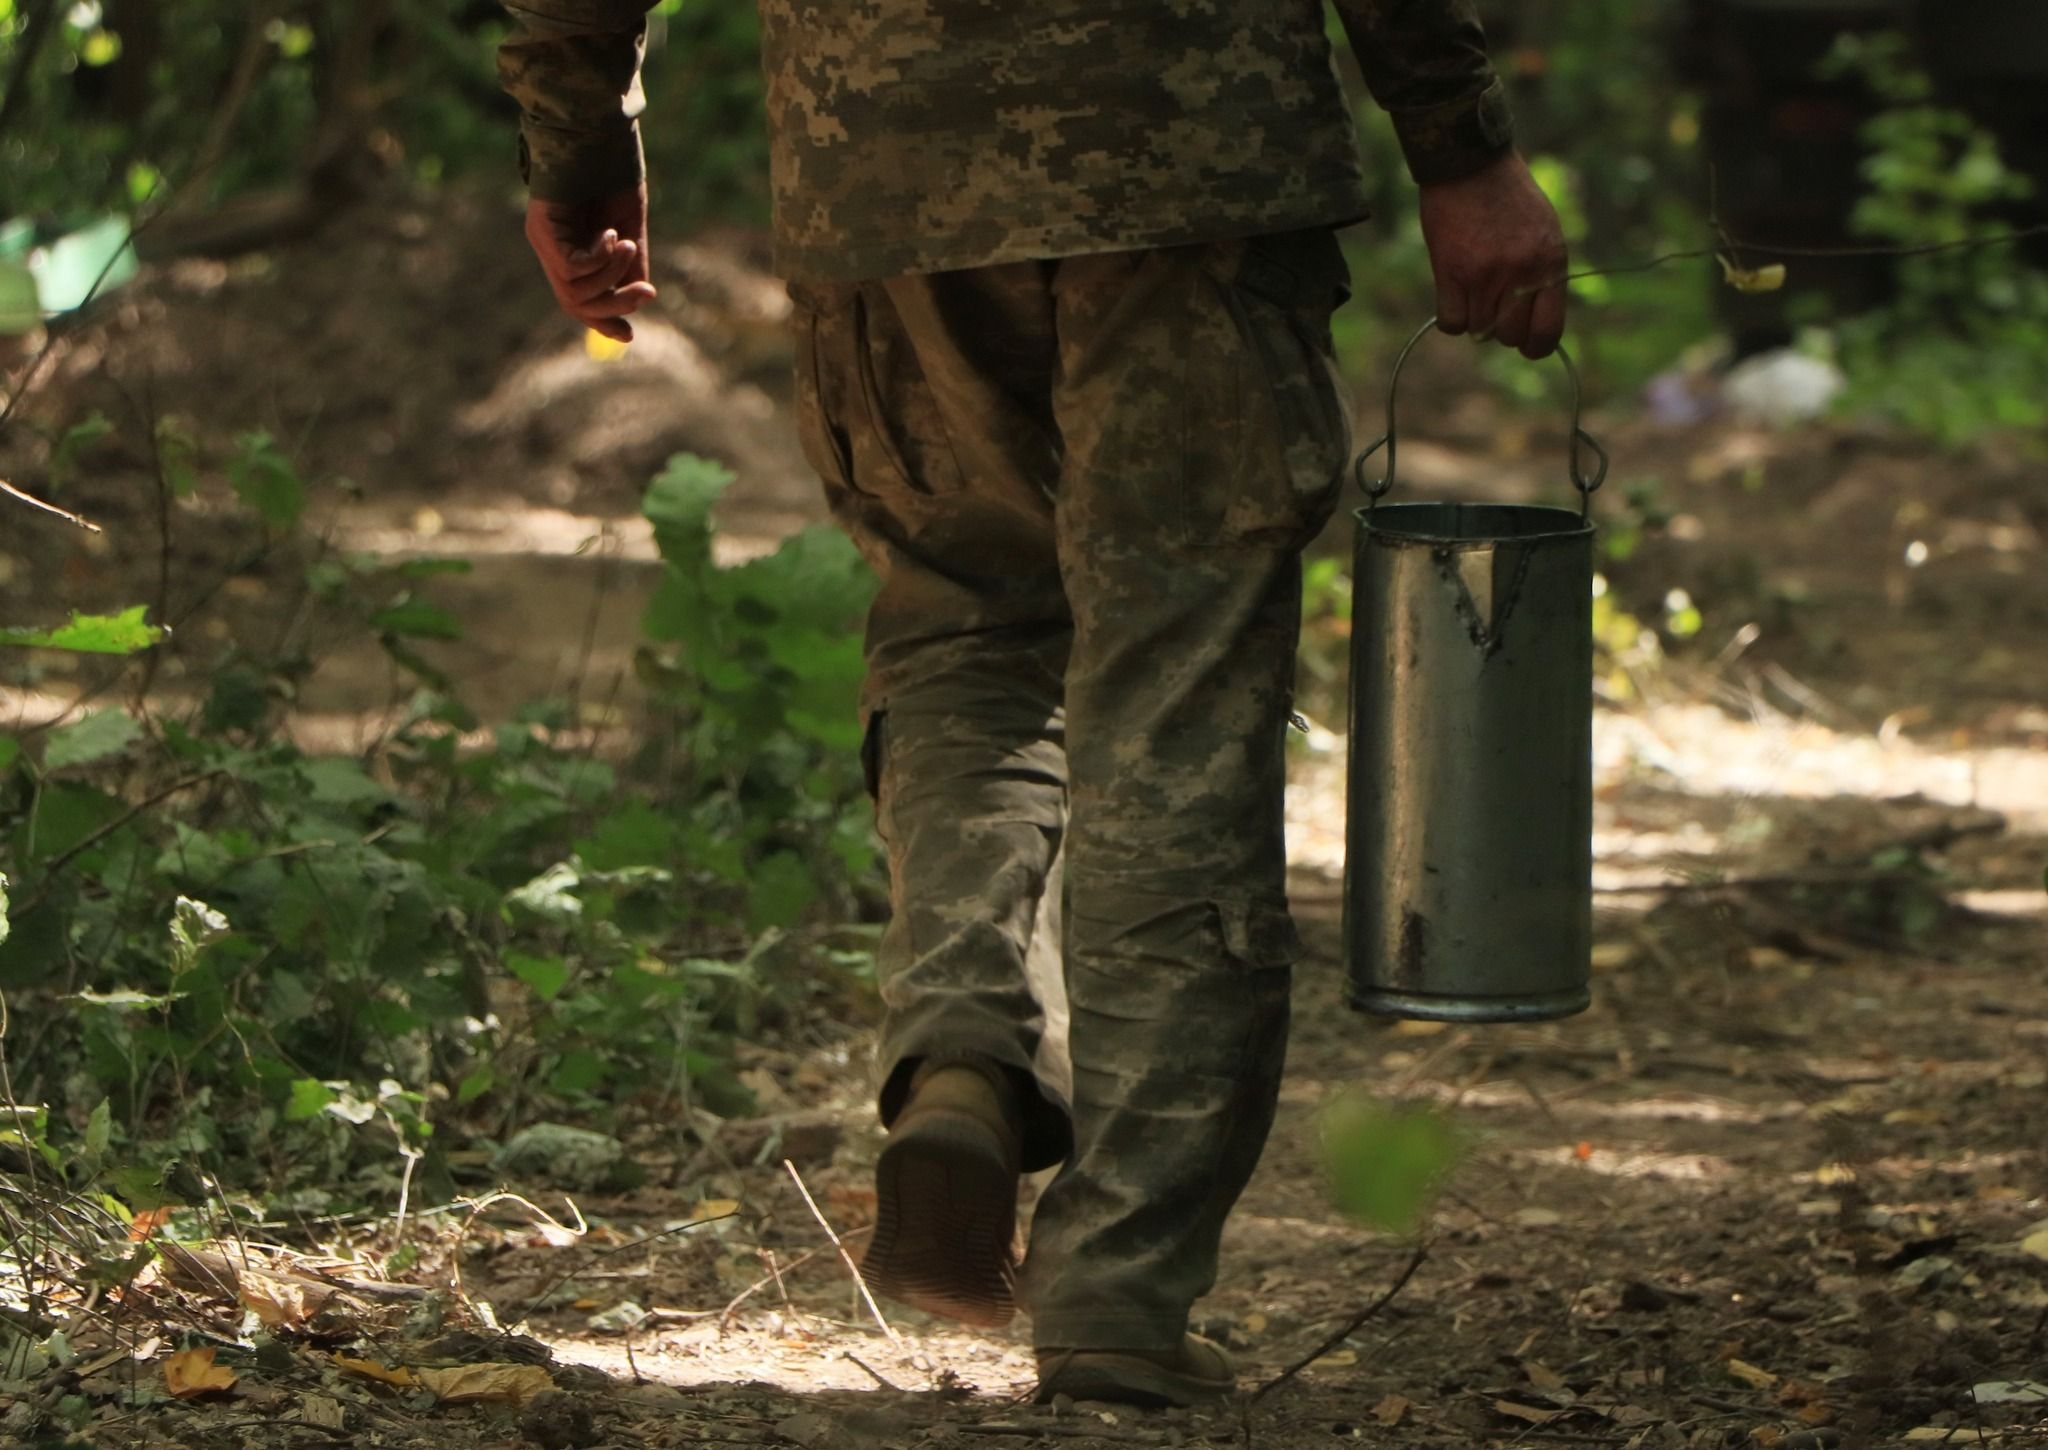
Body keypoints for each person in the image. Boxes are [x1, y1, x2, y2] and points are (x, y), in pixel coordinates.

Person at [500, 0, 1566, 1407]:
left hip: (878, 168)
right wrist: (1461, 141)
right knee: (1172, 686)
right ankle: (1119, 1281)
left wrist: (578, 148)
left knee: (959, 632)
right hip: (1184, 156)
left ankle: (964, 1056)